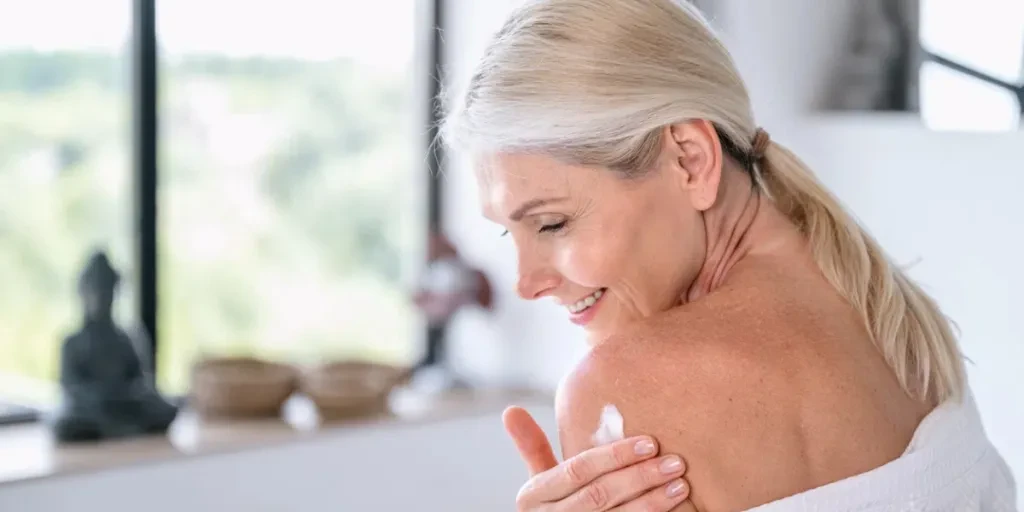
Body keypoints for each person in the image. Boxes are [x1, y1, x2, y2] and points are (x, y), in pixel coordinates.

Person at [440, 0, 1018, 510]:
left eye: (551, 223)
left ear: (690, 160)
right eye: (506, 234)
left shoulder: (618, 391)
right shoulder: (895, 320)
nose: (525, 282)